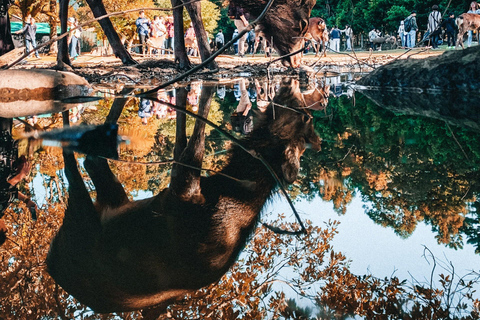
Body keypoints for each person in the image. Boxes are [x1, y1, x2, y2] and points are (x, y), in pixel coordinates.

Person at [0, 118, 37, 248]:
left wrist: (20, 176)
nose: (6, 226)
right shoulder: (1, 209)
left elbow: (3, 189)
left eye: (6, 229)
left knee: (3, 115)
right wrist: (27, 201)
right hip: (6, 156)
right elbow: (11, 193)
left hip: (1, 154)